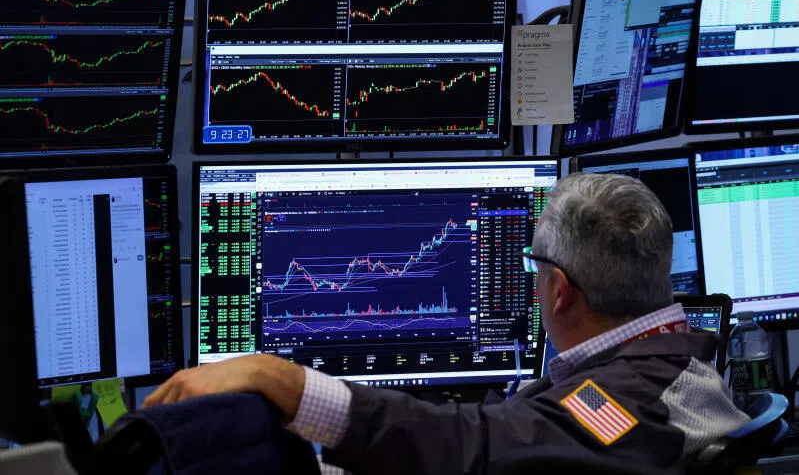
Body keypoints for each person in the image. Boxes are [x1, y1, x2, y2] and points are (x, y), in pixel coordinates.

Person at [145, 173, 749, 475]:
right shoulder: (672, 368)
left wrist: (286, 379)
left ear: (559, 291)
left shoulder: (633, 402)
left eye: (535, 270)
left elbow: (485, 449)